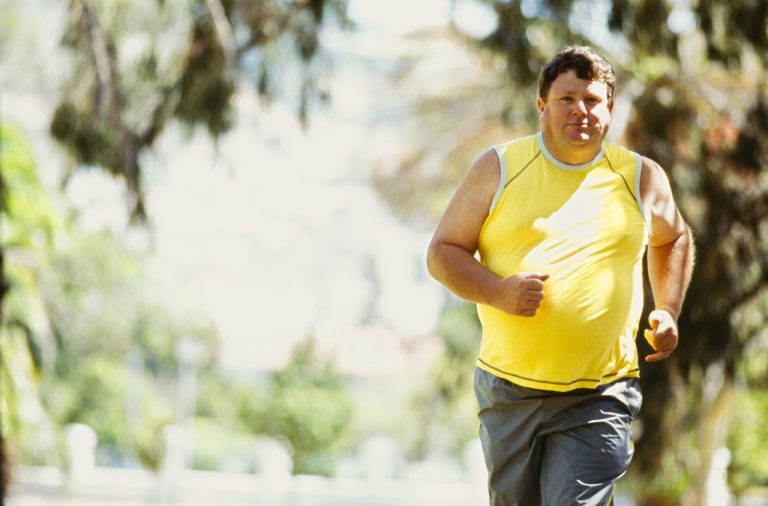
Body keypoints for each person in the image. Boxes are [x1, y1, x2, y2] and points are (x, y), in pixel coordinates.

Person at [426, 46, 694, 506]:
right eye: (567, 98)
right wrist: (497, 291)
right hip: (509, 390)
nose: (581, 111)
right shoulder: (499, 167)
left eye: (593, 100)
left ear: (609, 108)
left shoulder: (640, 177)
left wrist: (667, 308)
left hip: (601, 395)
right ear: (542, 106)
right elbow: (442, 252)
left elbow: (674, 238)